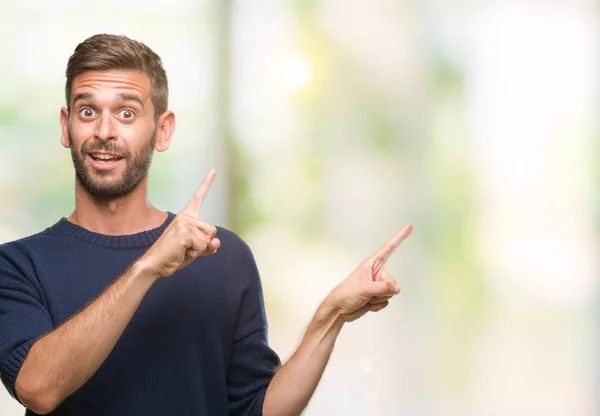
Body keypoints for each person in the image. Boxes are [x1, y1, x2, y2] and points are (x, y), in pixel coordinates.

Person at [0, 34, 412, 416]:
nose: (104, 131)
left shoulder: (223, 257)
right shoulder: (18, 265)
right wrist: (148, 266)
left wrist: (330, 316)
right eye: (88, 111)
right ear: (65, 126)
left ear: (163, 131)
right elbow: (39, 388)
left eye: (127, 113)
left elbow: (257, 408)